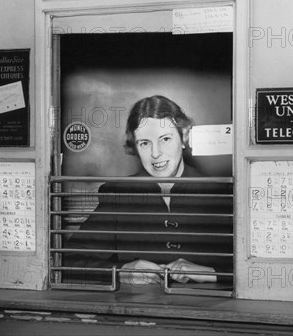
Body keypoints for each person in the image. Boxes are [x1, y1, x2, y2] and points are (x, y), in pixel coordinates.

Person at [63, 95, 233, 286]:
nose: (155, 153)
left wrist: (212, 273)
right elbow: (68, 260)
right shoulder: (120, 194)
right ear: (135, 147)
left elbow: (256, 265)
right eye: (144, 143)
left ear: (184, 138)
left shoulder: (220, 191)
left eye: (165, 139)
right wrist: (120, 272)